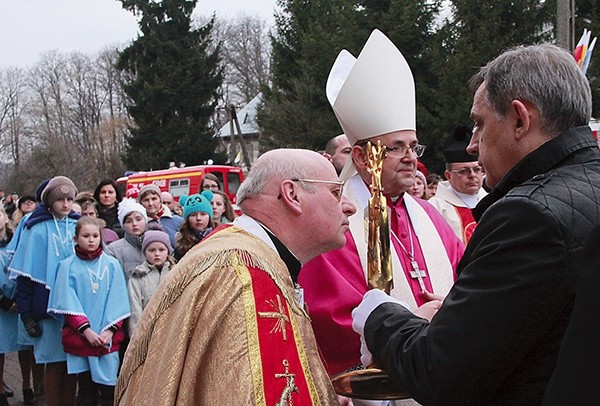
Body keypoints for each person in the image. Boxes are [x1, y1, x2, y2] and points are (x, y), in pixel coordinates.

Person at [351, 43, 600, 405]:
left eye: (480, 124)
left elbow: (442, 372)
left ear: (519, 119)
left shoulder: (528, 216)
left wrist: (379, 314)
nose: (471, 145)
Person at [115, 149, 356, 405]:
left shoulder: (242, 254)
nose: (349, 207)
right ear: (292, 195)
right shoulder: (245, 276)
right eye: (336, 193)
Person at [299, 29, 464, 382]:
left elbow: (469, 283)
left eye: (413, 147)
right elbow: (329, 317)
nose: (410, 159)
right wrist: (413, 323)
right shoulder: (333, 222)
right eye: (396, 148)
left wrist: (450, 313)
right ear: (360, 155)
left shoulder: (432, 218)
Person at [11, 176, 81, 406]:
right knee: (53, 361)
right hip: (46, 306)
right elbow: (25, 274)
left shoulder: (77, 226)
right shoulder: (36, 227)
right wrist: (26, 313)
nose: (66, 204)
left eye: (70, 199)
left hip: (74, 306)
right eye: (60, 199)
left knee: (73, 362)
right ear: (50, 201)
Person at [48, 216, 130, 406]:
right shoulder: (67, 266)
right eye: (86, 236)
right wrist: (86, 331)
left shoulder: (112, 265)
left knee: (109, 388)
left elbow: (118, 300)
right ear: (76, 238)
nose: (91, 240)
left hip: (106, 336)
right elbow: (66, 302)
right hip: (82, 336)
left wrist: (110, 331)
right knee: (86, 390)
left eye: (95, 236)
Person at [0, 207, 36, 406]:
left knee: (25, 347)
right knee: (0, 349)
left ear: (5, 217)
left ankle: (27, 385)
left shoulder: (19, 242)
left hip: (20, 302)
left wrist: (21, 299)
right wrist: (4, 302)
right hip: (2, 306)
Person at [428, 126, 488, 244]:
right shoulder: (436, 207)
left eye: (476, 169)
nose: (472, 175)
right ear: (448, 175)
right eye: (463, 171)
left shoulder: (492, 201)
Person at [127, 228, 175, 335]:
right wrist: (137, 336)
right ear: (144, 252)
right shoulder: (138, 276)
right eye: (152, 250)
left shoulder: (176, 273)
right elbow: (135, 309)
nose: (157, 254)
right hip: (146, 332)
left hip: (171, 332)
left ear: (168, 251)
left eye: (161, 250)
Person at [105, 198, 148, 280]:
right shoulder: (113, 250)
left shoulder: (157, 243)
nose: (134, 224)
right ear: (123, 225)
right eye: (128, 221)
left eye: (138, 219)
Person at [174, 191, 215, 261]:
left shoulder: (218, 236)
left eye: (203, 214)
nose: (198, 218)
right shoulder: (181, 243)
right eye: (193, 215)